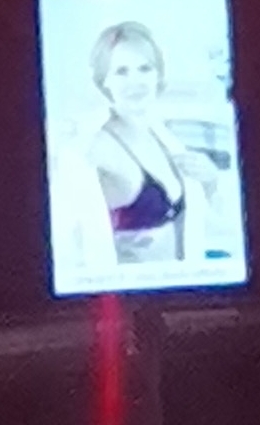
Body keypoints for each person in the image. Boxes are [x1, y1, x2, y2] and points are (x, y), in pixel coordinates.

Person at [68, 21, 216, 267]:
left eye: (145, 69)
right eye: (121, 72)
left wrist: (210, 180)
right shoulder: (94, 149)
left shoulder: (165, 139)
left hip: (185, 286)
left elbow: (195, 216)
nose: (135, 82)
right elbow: (75, 238)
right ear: (104, 81)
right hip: (128, 290)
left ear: (158, 75)